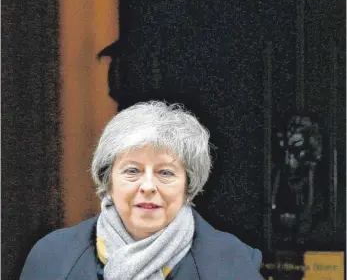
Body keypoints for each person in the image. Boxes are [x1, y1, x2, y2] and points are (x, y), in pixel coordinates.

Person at [21, 101, 264, 280]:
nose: (148, 186)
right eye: (132, 171)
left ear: (188, 186)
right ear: (108, 180)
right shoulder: (51, 257)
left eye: (165, 173)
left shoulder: (234, 263)